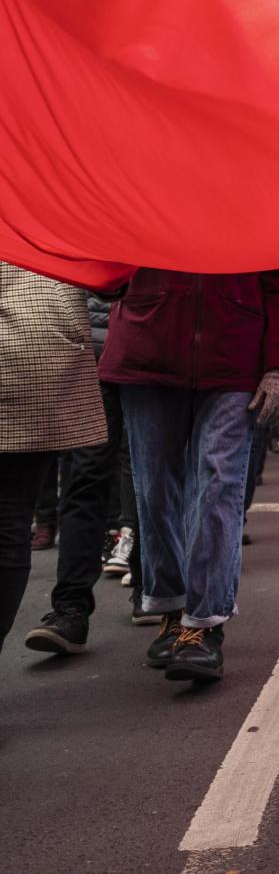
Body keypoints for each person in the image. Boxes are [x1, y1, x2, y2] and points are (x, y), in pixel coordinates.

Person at [100, 267, 279, 683]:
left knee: (218, 485)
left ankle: (204, 624)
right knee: (155, 490)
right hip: (149, 345)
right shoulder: (143, 198)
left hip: (235, 353)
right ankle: (173, 612)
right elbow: (104, 258)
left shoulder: (269, 202)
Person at [1, 263, 108, 655]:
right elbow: (111, 279)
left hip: (37, 348)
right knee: (10, 520)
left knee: (13, 517)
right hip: (41, 350)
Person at [22, 289, 133, 654]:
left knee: (153, 478)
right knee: (85, 480)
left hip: (151, 355)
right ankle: (70, 608)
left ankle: (156, 586)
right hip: (90, 358)